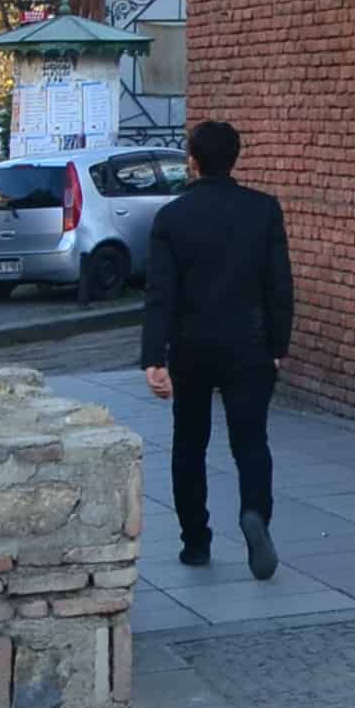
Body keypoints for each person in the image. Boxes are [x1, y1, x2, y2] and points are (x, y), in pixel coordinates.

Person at [142, 119, 296, 579]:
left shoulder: (171, 218)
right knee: (251, 442)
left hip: (191, 348)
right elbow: (279, 286)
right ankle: (254, 514)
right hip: (249, 344)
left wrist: (154, 357)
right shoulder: (263, 210)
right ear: (236, 158)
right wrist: (277, 345)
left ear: (192, 160)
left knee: (189, 444)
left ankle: (196, 542)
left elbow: (159, 295)